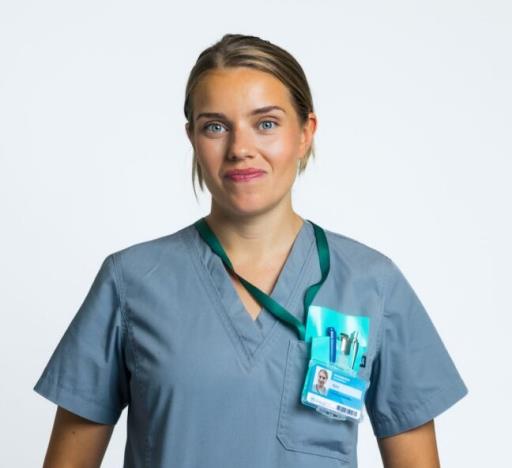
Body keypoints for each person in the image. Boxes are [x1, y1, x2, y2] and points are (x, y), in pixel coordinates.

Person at [33, 33, 468, 468]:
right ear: (192, 138)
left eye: (266, 124)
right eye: (215, 127)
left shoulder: (372, 284)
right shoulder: (131, 281)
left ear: (305, 133)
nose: (240, 149)